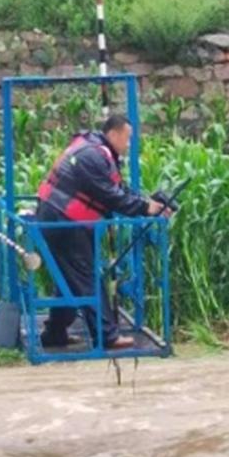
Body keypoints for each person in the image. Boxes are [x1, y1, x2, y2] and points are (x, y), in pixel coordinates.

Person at [35, 113, 168, 350]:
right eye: (127, 139)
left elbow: (119, 189)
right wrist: (145, 208)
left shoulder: (97, 152)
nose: (129, 145)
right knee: (86, 277)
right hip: (64, 220)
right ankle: (106, 336)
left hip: (60, 217)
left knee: (69, 278)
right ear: (114, 134)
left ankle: (54, 333)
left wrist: (146, 203)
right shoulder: (92, 156)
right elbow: (109, 195)